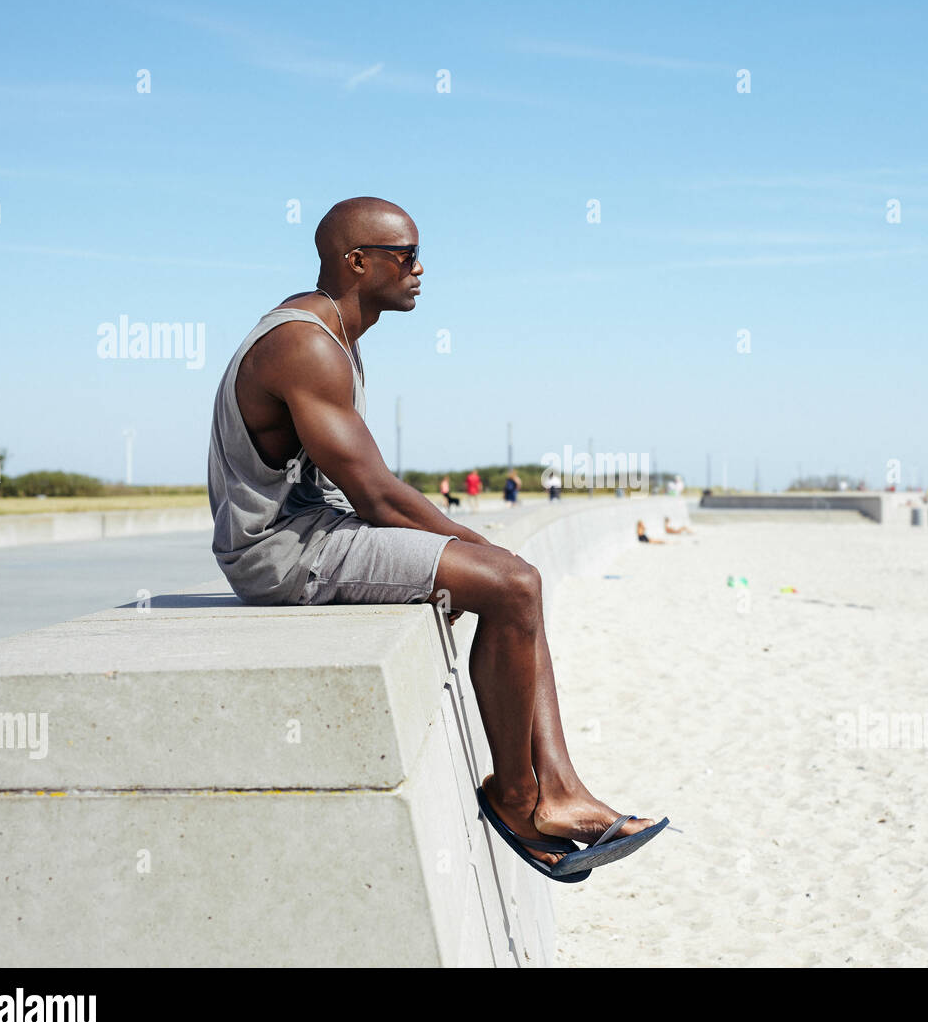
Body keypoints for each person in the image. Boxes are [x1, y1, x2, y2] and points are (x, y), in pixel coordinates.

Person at [207, 197, 665, 878]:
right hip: (280, 551)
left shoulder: (332, 329)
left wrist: (476, 545)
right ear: (356, 261)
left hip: (314, 528)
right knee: (513, 582)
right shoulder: (305, 343)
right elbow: (377, 494)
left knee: (515, 581)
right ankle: (517, 797)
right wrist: (482, 547)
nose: (421, 269)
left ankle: (561, 791)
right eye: (407, 254)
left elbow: (369, 489)